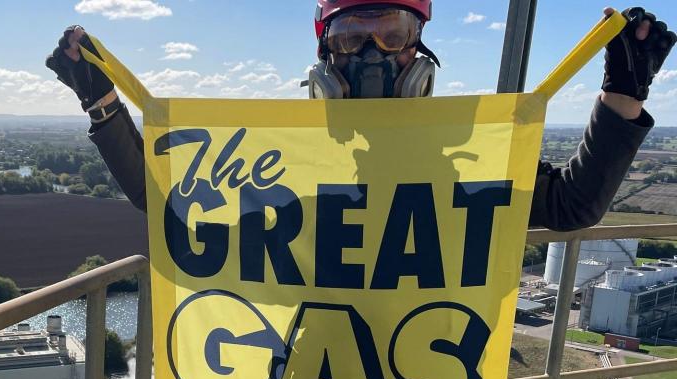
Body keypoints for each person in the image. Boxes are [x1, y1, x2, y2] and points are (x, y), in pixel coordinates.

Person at [46, 2, 675, 231]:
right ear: (324, 56)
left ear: (419, 52)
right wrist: (102, 104)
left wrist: (624, 93)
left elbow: (571, 207)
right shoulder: (279, 161)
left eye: (392, 32)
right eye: (351, 37)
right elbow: (164, 199)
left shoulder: (464, 162)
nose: (372, 54)